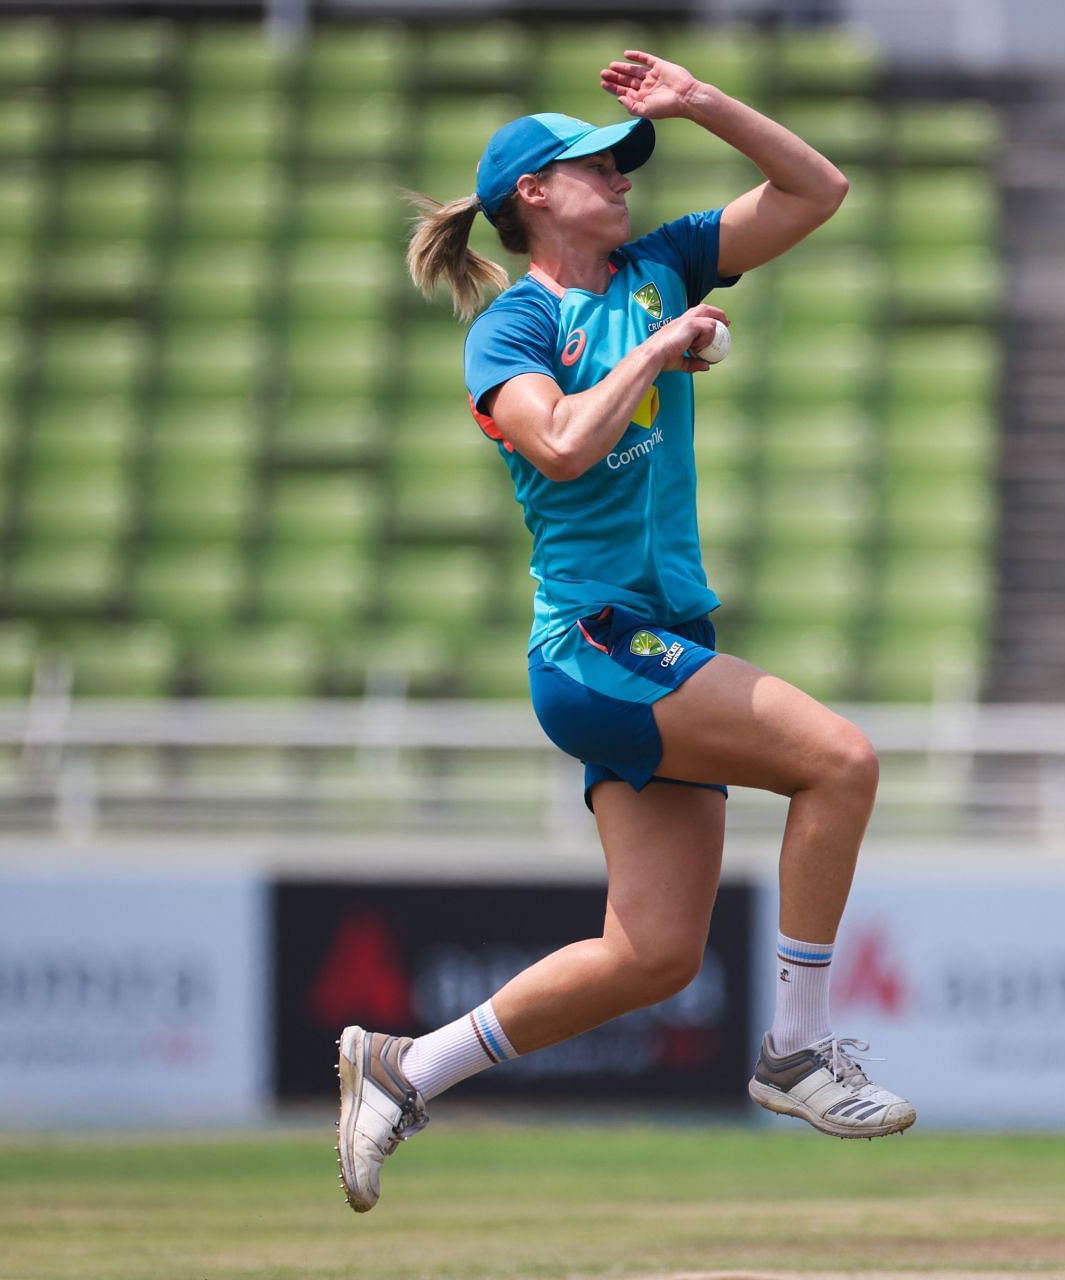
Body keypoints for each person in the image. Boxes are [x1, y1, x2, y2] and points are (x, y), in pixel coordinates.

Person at [333, 51, 914, 1214]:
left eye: (621, 161)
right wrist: (655, 348)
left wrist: (700, 104)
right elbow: (556, 445)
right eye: (592, 164)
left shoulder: (659, 263)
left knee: (654, 957)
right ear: (532, 197)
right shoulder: (512, 330)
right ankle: (797, 1047)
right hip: (594, 648)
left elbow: (817, 191)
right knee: (839, 759)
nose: (620, 177)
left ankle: (406, 1066)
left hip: (655, 636)